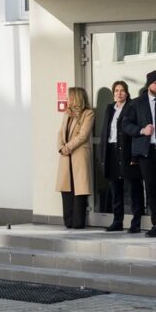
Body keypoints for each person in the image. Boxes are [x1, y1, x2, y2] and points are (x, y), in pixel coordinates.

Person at [122, 70, 156, 237]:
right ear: (149, 84)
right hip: (147, 153)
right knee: (151, 189)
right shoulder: (137, 103)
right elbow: (126, 124)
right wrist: (141, 130)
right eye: (155, 83)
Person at [100, 80, 143, 233]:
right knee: (115, 189)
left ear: (127, 92)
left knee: (133, 189)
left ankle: (136, 223)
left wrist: (135, 156)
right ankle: (117, 221)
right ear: (113, 93)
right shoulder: (109, 108)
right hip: (112, 150)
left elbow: (135, 133)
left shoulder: (132, 107)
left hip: (127, 151)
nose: (119, 93)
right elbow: (105, 132)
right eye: (116, 90)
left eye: (122, 90)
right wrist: (103, 154)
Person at [56, 87, 93, 229]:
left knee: (80, 189)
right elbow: (60, 132)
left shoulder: (88, 114)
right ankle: (68, 221)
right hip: (66, 156)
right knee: (66, 188)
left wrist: (68, 147)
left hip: (78, 155)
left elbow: (83, 135)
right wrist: (61, 147)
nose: (67, 99)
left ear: (76, 97)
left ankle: (78, 222)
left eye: (70, 96)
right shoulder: (67, 113)